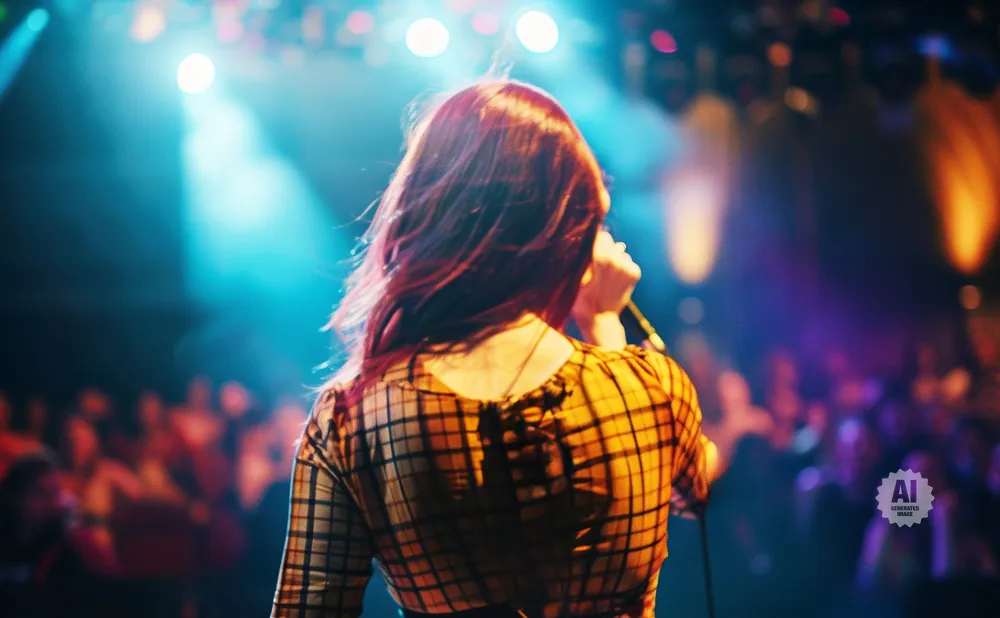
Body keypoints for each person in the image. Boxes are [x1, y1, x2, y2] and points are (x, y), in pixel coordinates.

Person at [272, 80, 718, 618]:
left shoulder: (352, 419)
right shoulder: (649, 388)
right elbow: (693, 488)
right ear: (570, 230)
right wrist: (602, 322)